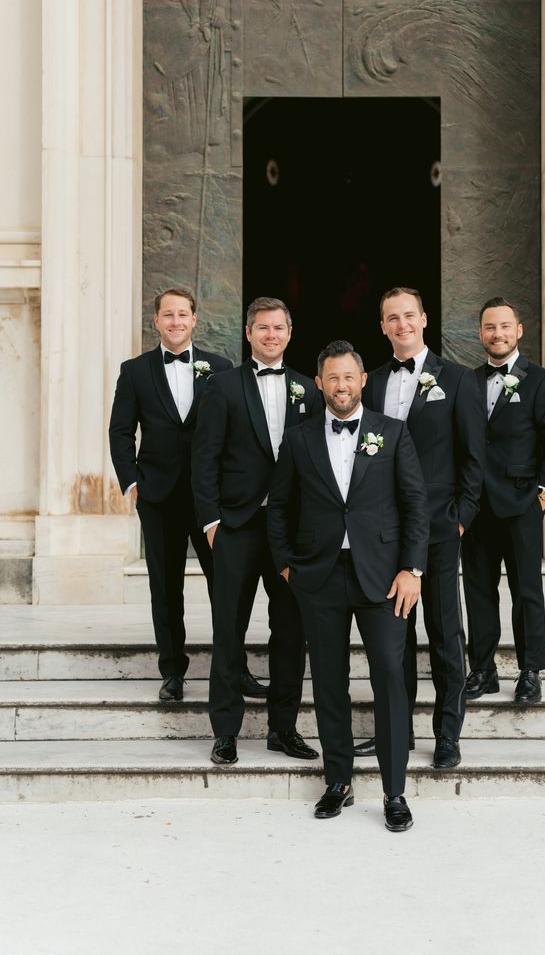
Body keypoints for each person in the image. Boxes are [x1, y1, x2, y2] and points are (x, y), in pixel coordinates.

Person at [267, 340, 429, 831]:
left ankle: (394, 790)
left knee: (388, 676)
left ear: (363, 382)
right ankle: (337, 781)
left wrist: (412, 570)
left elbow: (415, 506)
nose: (341, 386)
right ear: (319, 384)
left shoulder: (393, 433)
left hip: (383, 579)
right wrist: (287, 567)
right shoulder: (297, 440)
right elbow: (278, 507)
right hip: (318, 577)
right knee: (330, 682)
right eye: (332, 378)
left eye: (349, 377)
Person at [354, 288, 484, 770]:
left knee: (446, 632)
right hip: (384, 532)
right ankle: (398, 731)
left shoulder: (460, 379)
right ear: (383, 326)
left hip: (438, 527)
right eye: (393, 318)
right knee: (394, 636)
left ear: (424, 319)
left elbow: (474, 458)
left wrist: (462, 518)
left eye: (409, 315)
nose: (402, 324)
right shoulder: (372, 382)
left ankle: (447, 734)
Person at [191, 297, 320, 766]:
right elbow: (203, 458)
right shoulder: (223, 387)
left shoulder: (310, 388)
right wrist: (211, 521)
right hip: (237, 527)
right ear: (248, 333)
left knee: (291, 631)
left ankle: (282, 729)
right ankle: (225, 731)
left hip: (291, 532)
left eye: (278, 327)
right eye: (262, 327)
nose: (270, 335)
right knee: (229, 629)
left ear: (290, 333)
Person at [108, 287, 232, 700]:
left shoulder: (220, 367)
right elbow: (120, 431)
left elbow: (234, 430)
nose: (176, 321)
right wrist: (132, 482)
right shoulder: (135, 371)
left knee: (225, 584)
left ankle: (231, 667)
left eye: (183, 314)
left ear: (195, 319)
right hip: (158, 497)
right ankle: (172, 672)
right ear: (156, 321)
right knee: (165, 586)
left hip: (210, 498)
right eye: (168, 315)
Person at [461, 296, 545, 705]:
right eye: (490, 327)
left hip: (523, 502)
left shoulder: (542, 380)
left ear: (519, 330)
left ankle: (529, 672)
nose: (497, 334)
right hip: (475, 507)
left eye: (505, 326)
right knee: (478, 591)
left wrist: (544, 492)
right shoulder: (466, 382)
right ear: (481, 334)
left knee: (527, 591)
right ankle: (483, 670)